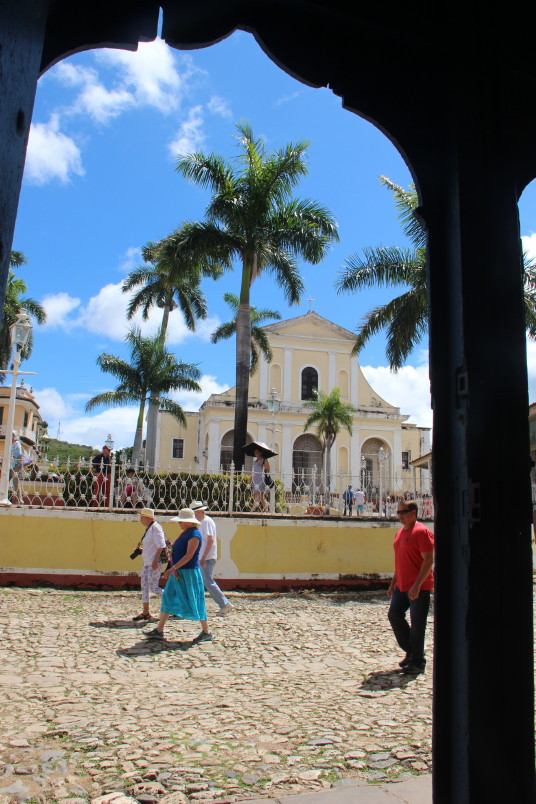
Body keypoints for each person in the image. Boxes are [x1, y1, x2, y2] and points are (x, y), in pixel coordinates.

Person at [144, 508, 212, 643]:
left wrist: (172, 568)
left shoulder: (195, 535)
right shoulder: (185, 534)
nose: (179, 524)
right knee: (168, 597)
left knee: (196, 600)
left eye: (181, 521)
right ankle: (159, 630)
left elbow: (189, 556)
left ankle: (206, 631)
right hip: (178, 572)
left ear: (188, 522)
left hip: (189, 573)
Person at [387, 501, 434, 675]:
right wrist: (393, 584)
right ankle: (412, 651)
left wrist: (417, 585)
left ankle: (417, 661)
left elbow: (428, 560)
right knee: (394, 615)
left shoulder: (421, 532)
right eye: (398, 512)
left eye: (403, 512)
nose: (400, 515)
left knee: (417, 624)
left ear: (413, 512)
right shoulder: (399, 533)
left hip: (418, 586)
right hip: (402, 585)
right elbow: (400, 561)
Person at [191, 499, 233, 617]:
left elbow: (210, 540)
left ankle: (224, 604)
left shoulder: (206, 522)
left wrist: (203, 557)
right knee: (201, 582)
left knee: (208, 582)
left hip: (206, 558)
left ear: (198, 512)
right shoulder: (203, 522)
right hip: (203, 557)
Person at [132, 508, 167, 622]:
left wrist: (155, 560)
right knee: (145, 586)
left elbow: (161, 545)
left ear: (148, 518)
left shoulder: (156, 528)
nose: (141, 520)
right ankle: (146, 612)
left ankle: (175, 601)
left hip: (153, 562)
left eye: (142, 518)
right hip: (147, 561)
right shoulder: (149, 528)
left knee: (153, 586)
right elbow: (152, 545)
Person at [251, 448, 270, 512]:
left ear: (260, 453)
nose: (256, 454)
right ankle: (267, 510)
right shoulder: (255, 461)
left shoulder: (264, 460)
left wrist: (261, 464)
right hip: (256, 480)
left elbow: (268, 468)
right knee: (262, 497)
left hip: (261, 480)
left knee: (257, 494)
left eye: (257, 452)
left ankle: (252, 510)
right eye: (255, 453)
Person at [10, 431, 24, 501]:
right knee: (5, 480)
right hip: (10, 465)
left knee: (16, 483)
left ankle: (19, 499)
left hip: (15, 465)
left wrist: (12, 456)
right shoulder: (11, 444)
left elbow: (19, 454)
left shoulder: (16, 443)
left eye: (12, 435)